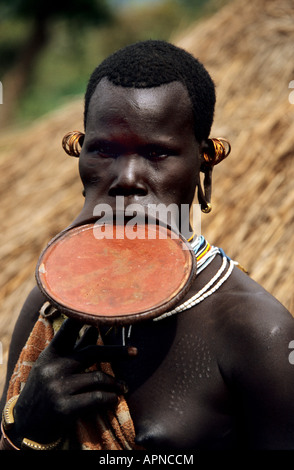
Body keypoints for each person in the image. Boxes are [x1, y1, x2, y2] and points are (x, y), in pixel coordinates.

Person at [1, 40, 294, 451]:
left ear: (204, 159)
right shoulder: (47, 307)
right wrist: (31, 425)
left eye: (157, 153)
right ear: (79, 153)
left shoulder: (258, 332)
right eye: (103, 150)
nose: (127, 178)